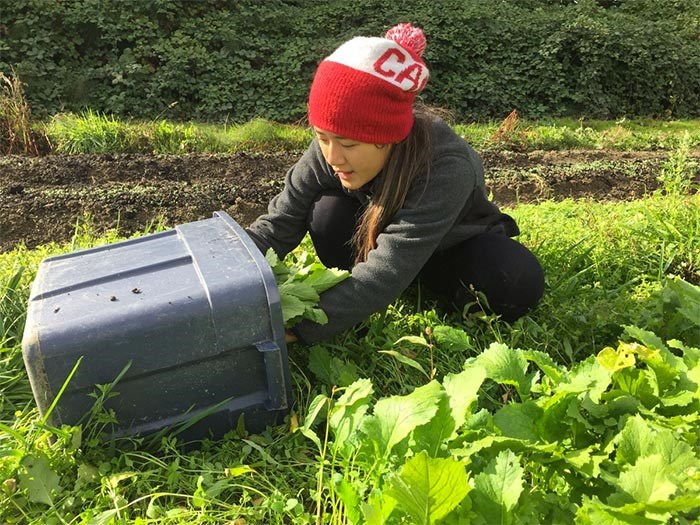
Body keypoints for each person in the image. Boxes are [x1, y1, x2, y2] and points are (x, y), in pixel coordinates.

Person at [245, 23, 545, 345]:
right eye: (322, 137)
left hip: (450, 248)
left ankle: (425, 288)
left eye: (348, 145)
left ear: (387, 137)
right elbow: (280, 222)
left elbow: (386, 270)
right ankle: (363, 295)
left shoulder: (446, 166)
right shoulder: (329, 148)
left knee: (516, 278)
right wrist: (227, 271)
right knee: (327, 213)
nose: (333, 157)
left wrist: (292, 330)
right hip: (381, 240)